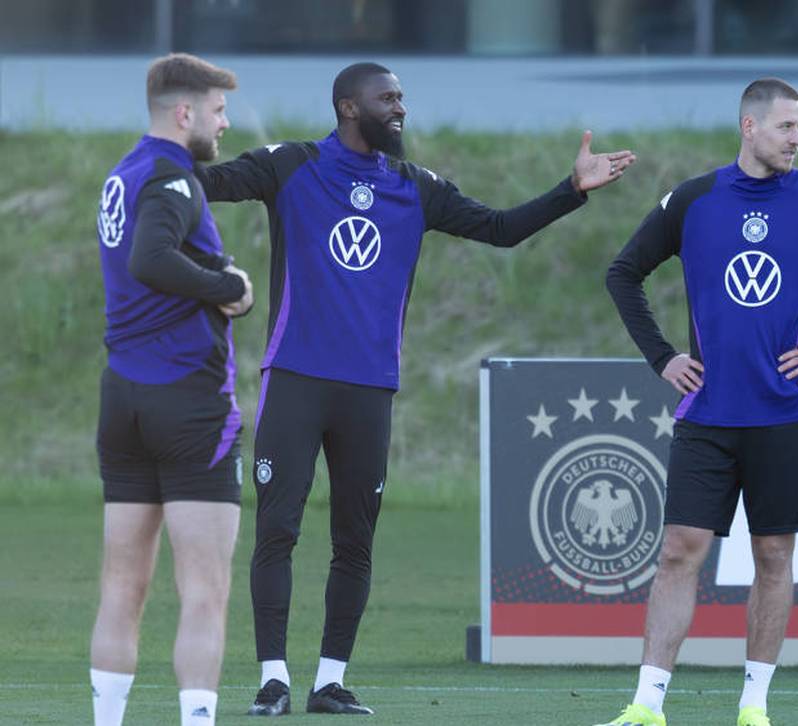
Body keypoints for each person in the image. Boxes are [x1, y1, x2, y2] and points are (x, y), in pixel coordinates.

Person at [192, 61, 635, 716]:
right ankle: (274, 679)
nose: (400, 108)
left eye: (401, 97)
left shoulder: (416, 188)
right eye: (388, 98)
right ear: (349, 106)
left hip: (370, 390)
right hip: (296, 380)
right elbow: (203, 184)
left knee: (355, 537)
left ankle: (329, 682)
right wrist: (174, 142)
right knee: (278, 529)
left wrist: (572, 188)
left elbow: (501, 229)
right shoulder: (292, 166)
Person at [600, 77, 798, 726]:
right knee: (679, 550)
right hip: (707, 415)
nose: (797, 138)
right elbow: (622, 273)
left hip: (783, 416)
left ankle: (753, 707)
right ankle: (647, 705)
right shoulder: (694, 200)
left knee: (773, 556)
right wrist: (663, 357)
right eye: (785, 127)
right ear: (749, 127)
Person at [90, 53, 253, 726]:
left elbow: (143, 257)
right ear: (184, 113)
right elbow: (151, 258)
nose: (225, 122)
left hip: (123, 398)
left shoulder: (123, 173)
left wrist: (211, 268)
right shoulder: (174, 177)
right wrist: (229, 288)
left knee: (122, 587)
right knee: (204, 592)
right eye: (217, 111)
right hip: (187, 402)